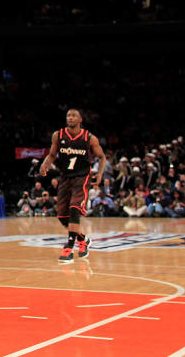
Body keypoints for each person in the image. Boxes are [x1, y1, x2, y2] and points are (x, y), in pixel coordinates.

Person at [39, 108, 107, 263]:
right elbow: (51, 155)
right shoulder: (58, 135)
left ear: (80, 119)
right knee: (62, 216)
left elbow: (102, 157)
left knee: (74, 208)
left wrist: (100, 174)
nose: (70, 118)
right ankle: (82, 239)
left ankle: (69, 247)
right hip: (65, 177)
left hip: (82, 177)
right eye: (68, 115)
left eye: (74, 115)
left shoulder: (89, 138)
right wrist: (45, 164)